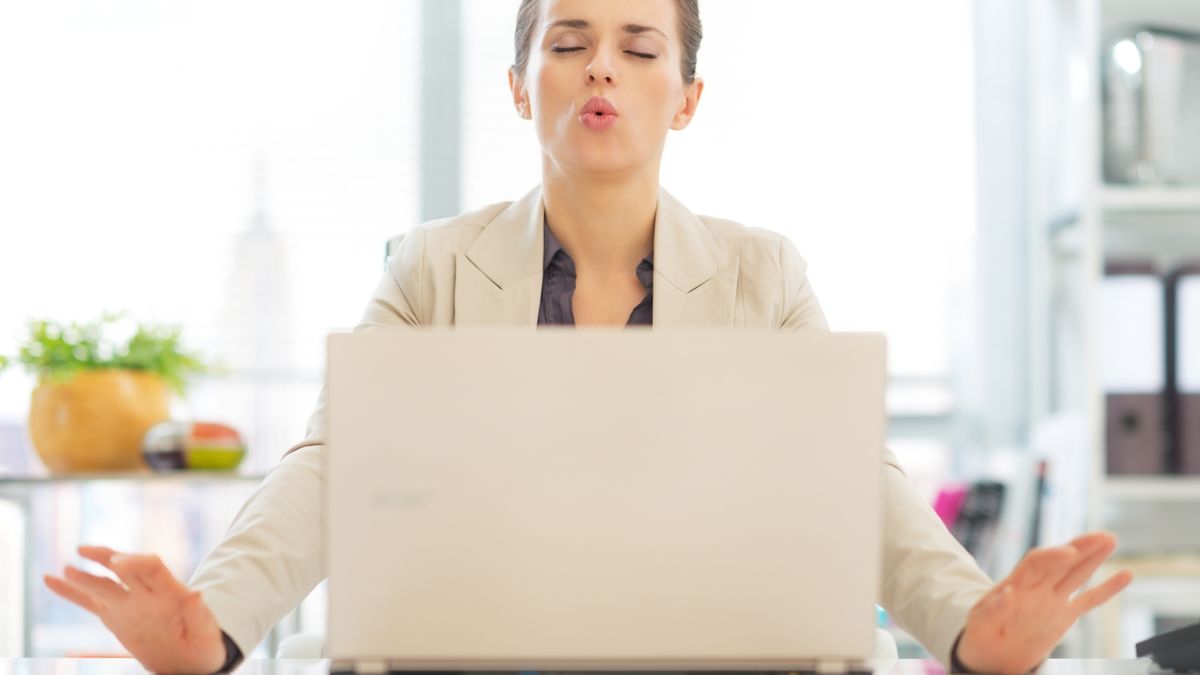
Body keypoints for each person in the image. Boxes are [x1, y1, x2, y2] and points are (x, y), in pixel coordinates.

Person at [43, 1, 1133, 673]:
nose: (602, 66)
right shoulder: (427, 267)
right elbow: (333, 466)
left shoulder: (767, 274)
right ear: (523, 87)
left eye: (637, 46)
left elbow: (854, 479)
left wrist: (967, 627)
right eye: (569, 42)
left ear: (687, 97)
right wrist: (215, 623)